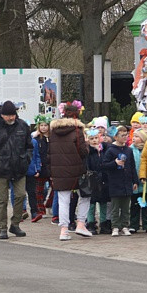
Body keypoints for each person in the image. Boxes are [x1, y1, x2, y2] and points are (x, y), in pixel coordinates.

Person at [0, 100, 32, 240]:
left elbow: (29, 146)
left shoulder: (23, 126)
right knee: (2, 200)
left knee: (21, 195)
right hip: (0, 169)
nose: (11, 118)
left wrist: (26, 159)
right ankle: (2, 228)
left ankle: (15, 224)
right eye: (8, 115)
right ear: (1, 115)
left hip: (19, 168)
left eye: (13, 115)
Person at [48, 102, 92, 241]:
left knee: (63, 199)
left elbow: (50, 152)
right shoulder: (77, 130)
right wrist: (87, 144)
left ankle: (64, 230)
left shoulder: (53, 131)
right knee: (85, 195)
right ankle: (80, 223)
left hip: (58, 170)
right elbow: (83, 152)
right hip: (76, 169)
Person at [103, 125, 138, 236]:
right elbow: (104, 165)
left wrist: (135, 181)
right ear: (116, 137)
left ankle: (125, 226)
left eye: (126, 135)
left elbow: (132, 166)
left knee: (126, 207)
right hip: (115, 182)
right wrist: (115, 163)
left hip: (127, 182)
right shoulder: (110, 150)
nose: (125, 137)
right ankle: (115, 226)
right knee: (115, 206)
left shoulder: (129, 150)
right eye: (122, 135)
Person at [28, 115, 51, 222]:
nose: (43, 127)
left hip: (51, 166)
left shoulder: (52, 138)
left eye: (45, 125)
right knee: (40, 190)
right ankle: (40, 209)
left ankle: (49, 205)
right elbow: (36, 154)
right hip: (41, 167)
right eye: (41, 125)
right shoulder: (37, 139)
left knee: (54, 189)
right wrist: (37, 167)